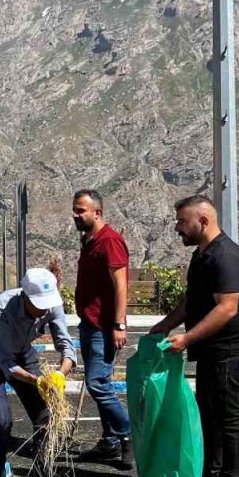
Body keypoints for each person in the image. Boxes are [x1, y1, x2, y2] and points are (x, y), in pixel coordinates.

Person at [148, 195, 239, 477]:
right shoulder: (202, 255)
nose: (177, 228)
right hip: (212, 351)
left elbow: (226, 308)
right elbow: (193, 301)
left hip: (232, 351)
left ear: (203, 221)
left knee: (228, 418)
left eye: (182, 222)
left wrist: (186, 339)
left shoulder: (225, 256)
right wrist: (165, 325)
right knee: (208, 416)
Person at [0, 268, 77, 477]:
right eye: (38, 305)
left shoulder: (52, 305)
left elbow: (66, 344)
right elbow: (5, 363)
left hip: (24, 354)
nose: (44, 310)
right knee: (2, 421)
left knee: (45, 415)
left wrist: (60, 374)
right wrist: (37, 381)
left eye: (47, 305)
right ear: (25, 297)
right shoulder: (3, 308)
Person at [70, 189, 133, 463]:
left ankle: (129, 433)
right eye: (75, 209)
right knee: (100, 382)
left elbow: (121, 285)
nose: (76, 215)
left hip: (104, 327)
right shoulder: (89, 240)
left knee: (97, 384)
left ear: (97, 212)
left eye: (81, 210)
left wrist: (119, 323)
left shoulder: (110, 241)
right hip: (89, 323)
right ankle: (110, 443)